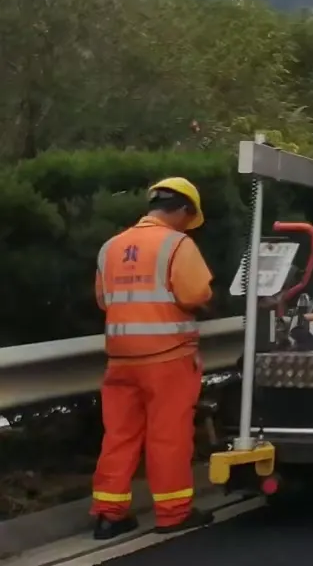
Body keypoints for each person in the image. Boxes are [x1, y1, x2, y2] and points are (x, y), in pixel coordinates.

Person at [90, 178, 217, 539]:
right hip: (168, 358)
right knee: (168, 435)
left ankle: (108, 515)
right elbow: (195, 294)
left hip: (120, 360)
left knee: (119, 435)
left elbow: (104, 301)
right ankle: (173, 513)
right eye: (188, 219)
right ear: (183, 210)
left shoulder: (109, 247)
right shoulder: (178, 244)